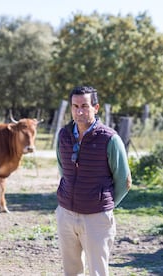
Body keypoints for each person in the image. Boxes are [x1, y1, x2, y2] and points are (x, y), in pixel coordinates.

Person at [55, 85, 132, 276]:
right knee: (71, 272)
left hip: (96, 218)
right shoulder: (63, 135)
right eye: (75, 106)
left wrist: (104, 206)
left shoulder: (110, 139)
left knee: (97, 272)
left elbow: (124, 180)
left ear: (95, 108)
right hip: (66, 215)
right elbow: (63, 170)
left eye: (85, 106)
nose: (79, 111)